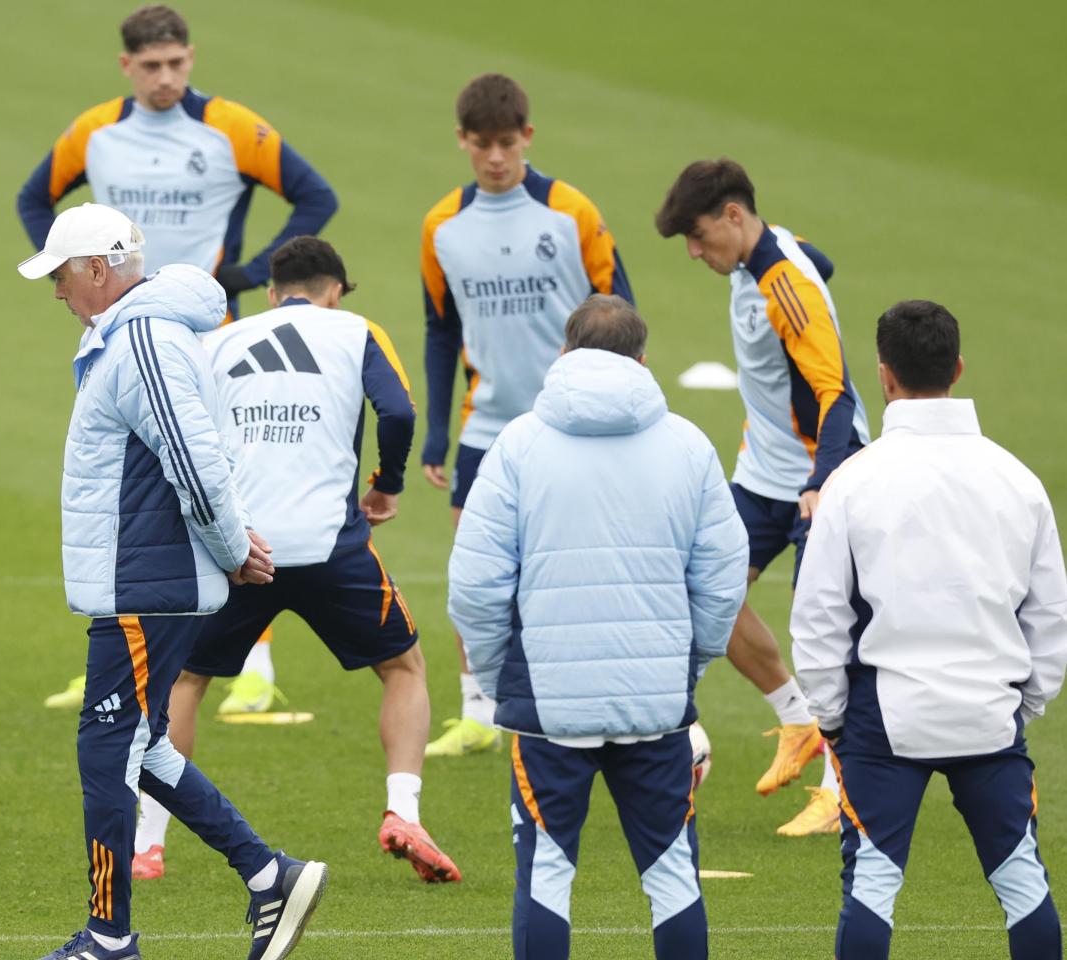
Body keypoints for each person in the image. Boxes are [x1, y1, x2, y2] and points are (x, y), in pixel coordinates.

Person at [20, 202, 325, 960]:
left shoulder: (142, 340)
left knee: (106, 749)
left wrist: (231, 548)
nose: (57, 291)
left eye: (61, 276)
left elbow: (193, 457)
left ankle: (109, 936)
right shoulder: (137, 335)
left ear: (97, 270)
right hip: (143, 578)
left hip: (147, 582)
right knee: (141, 743)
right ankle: (270, 875)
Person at [19, 4, 339, 715]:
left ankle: (252, 660)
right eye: (151, 66)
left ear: (190, 58)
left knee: (219, 471)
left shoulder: (231, 128)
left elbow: (316, 196)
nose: (165, 77)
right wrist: (66, 267)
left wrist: (244, 274)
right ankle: (121, 641)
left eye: (176, 63)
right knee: (128, 485)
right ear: (126, 66)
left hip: (210, 329)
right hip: (119, 325)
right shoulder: (95, 132)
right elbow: (34, 196)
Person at [132, 237, 459, 884]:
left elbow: (178, 425)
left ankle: (149, 843)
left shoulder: (220, 339)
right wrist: (387, 484)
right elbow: (397, 411)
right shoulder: (356, 330)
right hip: (330, 546)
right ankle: (403, 811)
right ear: (335, 290)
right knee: (403, 667)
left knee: (185, 681)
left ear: (272, 291)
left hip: (239, 547)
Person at [449, 296, 746, 960]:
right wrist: (686, 665)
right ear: (642, 359)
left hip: (548, 706)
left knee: (547, 873)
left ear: (564, 352)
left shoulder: (519, 443)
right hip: (655, 702)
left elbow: (474, 585)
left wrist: (501, 679)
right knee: (671, 873)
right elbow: (724, 579)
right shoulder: (688, 444)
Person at [792, 300, 1066, 960]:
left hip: (885, 720)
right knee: (1023, 884)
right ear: (958, 368)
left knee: (872, 889)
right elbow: (1049, 616)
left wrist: (832, 718)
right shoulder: (1018, 480)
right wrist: (1022, 706)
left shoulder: (852, 481)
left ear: (884, 376)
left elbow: (818, 616)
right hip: (989, 714)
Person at [654, 157, 871, 835]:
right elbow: (821, 260)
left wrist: (821, 482)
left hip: (819, 475)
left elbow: (835, 394)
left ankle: (841, 791)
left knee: (826, 634)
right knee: (706, 592)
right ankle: (798, 722)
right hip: (760, 476)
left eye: (698, 236)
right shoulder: (758, 257)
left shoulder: (786, 286)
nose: (694, 253)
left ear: (733, 215)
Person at [420, 73, 634, 759]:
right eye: (482, 144)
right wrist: (436, 431)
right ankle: (477, 711)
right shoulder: (442, 226)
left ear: (528, 137)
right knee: (473, 571)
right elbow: (440, 330)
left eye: (507, 144)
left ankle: (594, 692)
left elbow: (623, 313)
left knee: (578, 564)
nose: (495, 158)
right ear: (462, 140)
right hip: (485, 429)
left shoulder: (571, 212)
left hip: (574, 422)